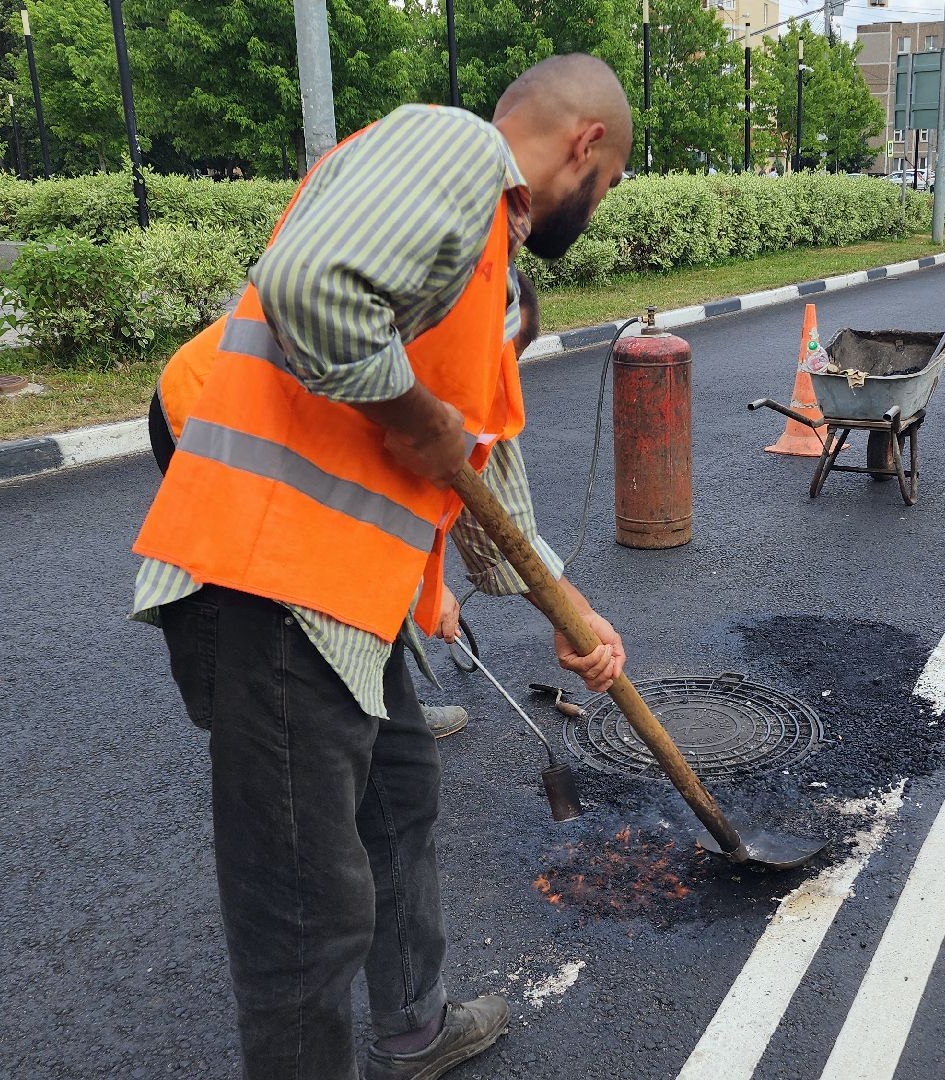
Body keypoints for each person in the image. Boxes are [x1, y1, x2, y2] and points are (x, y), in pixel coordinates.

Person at [128, 54, 632, 1080]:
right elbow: (311, 287)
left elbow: (487, 486)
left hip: (343, 605)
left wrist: (574, 618)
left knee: (400, 796)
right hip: (266, 582)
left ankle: (413, 1028)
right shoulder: (453, 147)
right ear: (585, 145)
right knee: (305, 917)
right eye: (612, 181)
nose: (602, 204)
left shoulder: (485, 266)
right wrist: (417, 421)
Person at [145, 267, 548, 741]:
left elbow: (479, 509)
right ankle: (288, 728)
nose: (493, 382)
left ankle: (382, 713)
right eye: (493, 363)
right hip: (207, 406)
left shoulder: (445, 352)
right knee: (284, 591)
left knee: (355, 587)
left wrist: (569, 610)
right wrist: (421, 594)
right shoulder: (398, 343)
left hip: (289, 420)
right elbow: (352, 514)